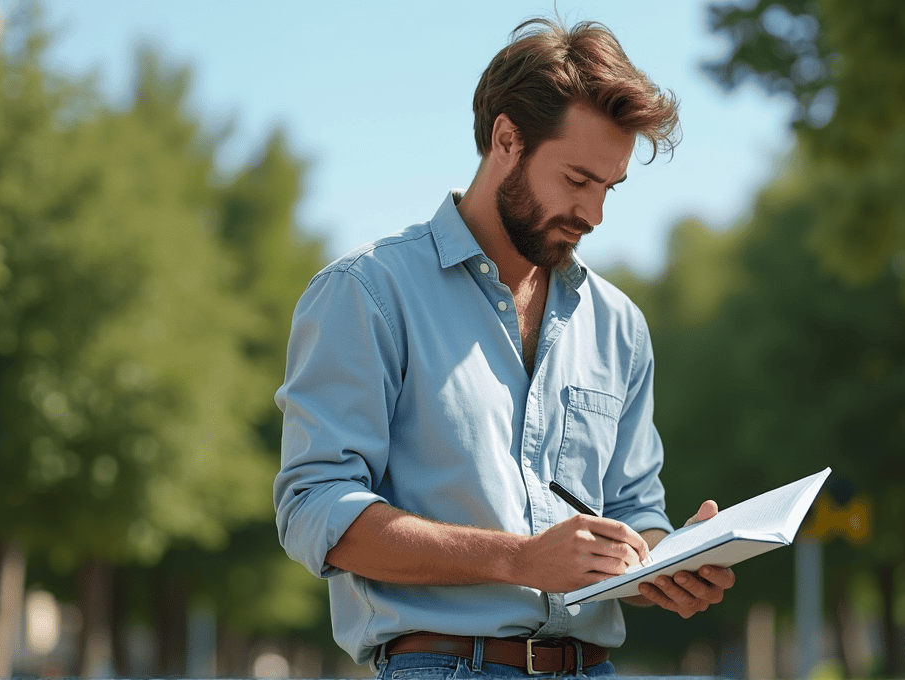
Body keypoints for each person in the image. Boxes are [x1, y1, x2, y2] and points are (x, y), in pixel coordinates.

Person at [273, 17, 735, 677]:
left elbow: (634, 510)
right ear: (507, 139)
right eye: (578, 180)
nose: (595, 214)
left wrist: (666, 561)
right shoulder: (368, 293)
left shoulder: (620, 324)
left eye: (609, 187)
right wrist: (518, 560)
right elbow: (315, 507)